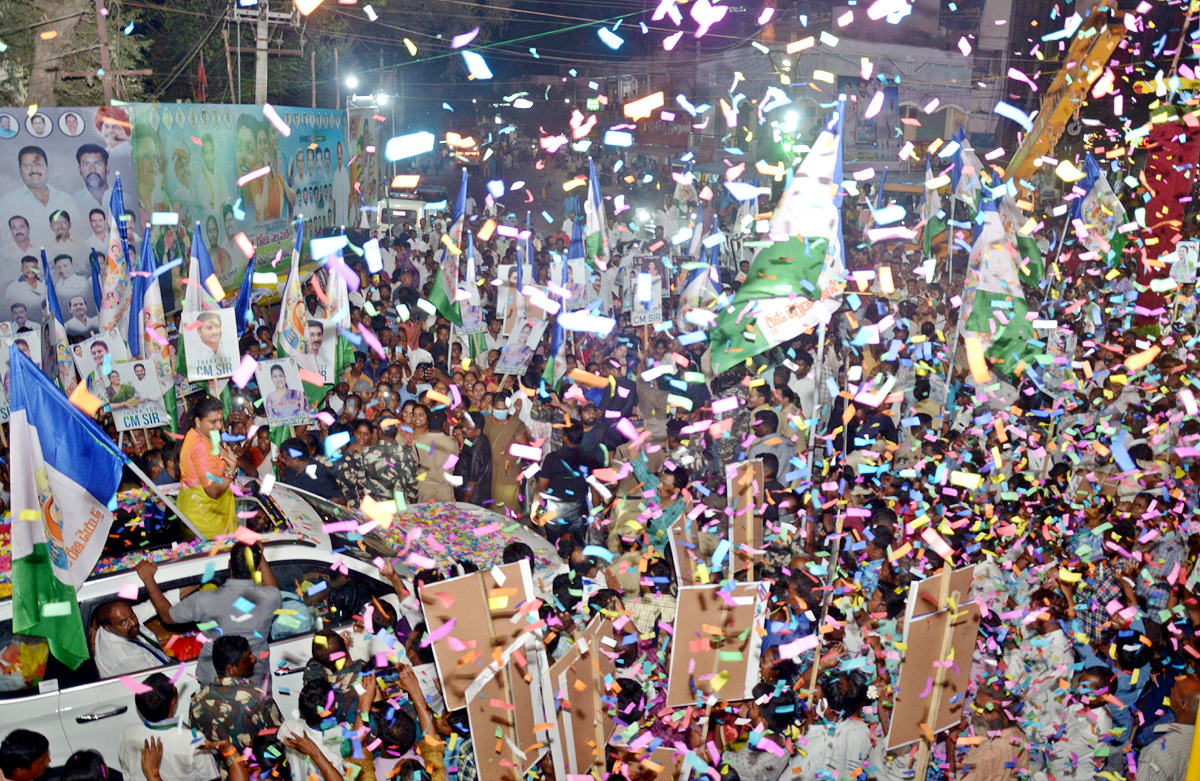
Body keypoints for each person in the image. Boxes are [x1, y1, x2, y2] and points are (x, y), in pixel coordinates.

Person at [135, 542, 281, 684]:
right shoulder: (271, 598)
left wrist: (148, 579)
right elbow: (273, 588)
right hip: (255, 680)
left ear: (229, 564)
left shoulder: (204, 600)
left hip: (215, 681)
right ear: (258, 567)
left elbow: (167, 615)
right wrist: (260, 556)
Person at [117, 672, 222, 781]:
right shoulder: (192, 740)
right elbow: (212, 778)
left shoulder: (127, 733)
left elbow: (127, 773)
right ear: (173, 701)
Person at [187, 635, 284, 750]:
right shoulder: (257, 697)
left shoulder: (197, 701)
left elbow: (197, 741)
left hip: (225, 766)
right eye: (248, 657)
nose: (254, 659)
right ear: (231, 668)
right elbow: (280, 737)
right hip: (258, 766)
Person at [171, 397, 238, 537]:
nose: (219, 426)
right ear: (197, 421)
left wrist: (230, 483)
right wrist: (231, 470)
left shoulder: (204, 435)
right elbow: (212, 491)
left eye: (220, 420)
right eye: (213, 421)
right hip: (205, 520)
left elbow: (213, 472)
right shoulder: (200, 446)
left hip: (203, 513)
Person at [0, 146, 78, 248]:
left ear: (47, 167)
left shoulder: (66, 199)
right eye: (27, 165)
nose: (34, 170)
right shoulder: (6, 204)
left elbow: (79, 234)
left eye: (39, 165)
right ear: (19, 170)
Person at [92, 599, 171, 678]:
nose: (132, 623)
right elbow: (157, 679)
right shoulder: (125, 656)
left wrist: (182, 590)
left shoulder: (120, 616)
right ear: (107, 628)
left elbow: (152, 605)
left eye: (132, 616)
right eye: (123, 623)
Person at [277, 437, 344, 503]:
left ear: (296, 460)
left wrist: (314, 506)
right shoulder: (289, 471)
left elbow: (339, 499)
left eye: (285, 458)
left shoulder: (320, 476)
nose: (282, 460)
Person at [415, 406, 460, 503]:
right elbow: (452, 466)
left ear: (427, 424)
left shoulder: (417, 443)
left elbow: (416, 465)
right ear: (444, 424)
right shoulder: (452, 443)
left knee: (425, 517)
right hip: (445, 489)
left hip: (425, 489)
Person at [452, 411, 492, 506]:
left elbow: (471, 483)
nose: (464, 430)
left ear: (477, 431)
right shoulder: (475, 438)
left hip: (473, 500)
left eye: (468, 428)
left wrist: (463, 504)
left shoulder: (476, 453)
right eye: (464, 426)